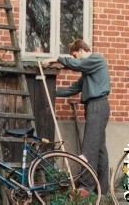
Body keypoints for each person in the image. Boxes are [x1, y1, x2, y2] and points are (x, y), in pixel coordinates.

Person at [42, 39, 111, 194]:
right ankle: (102, 189)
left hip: (97, 106)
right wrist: (53, 91)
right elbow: (75, 88)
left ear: (80, 51)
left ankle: (86, 187)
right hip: (95, 107)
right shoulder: (89, 70)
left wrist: (57, 59)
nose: (75, 59)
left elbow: (77, 65)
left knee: (89, 148)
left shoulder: (96, 59)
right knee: (99, 149)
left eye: (75, 56)